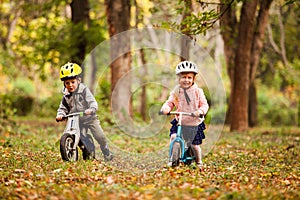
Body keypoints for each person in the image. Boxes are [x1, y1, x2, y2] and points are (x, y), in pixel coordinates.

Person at [56, 62, 113, 161]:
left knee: (100, 136)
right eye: (67, 83)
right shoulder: (66, 96)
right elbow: (63, 108)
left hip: (89, 118)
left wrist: (91, 109)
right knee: (80, 138)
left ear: (78, 80)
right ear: (64, 84)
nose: (70, 85)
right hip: (76, 120)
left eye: (73, 82)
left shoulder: (84, 91)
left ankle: (106, 150)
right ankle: (85, 151)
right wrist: (60, 115)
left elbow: (92, 102)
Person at [160, 60, 209, 168]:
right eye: (183, 77)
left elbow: (204, 105)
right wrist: (166, 108)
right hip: (180, 121)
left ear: (193, 79)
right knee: (173, 137)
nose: (186, 80)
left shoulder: (198, 91)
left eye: (189, 77)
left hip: (194, 123)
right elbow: (170, 102)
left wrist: (199, 112)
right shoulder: (176, 91)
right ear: (179, 78)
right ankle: (173, 159)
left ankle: (199, 161)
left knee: (194, 145)